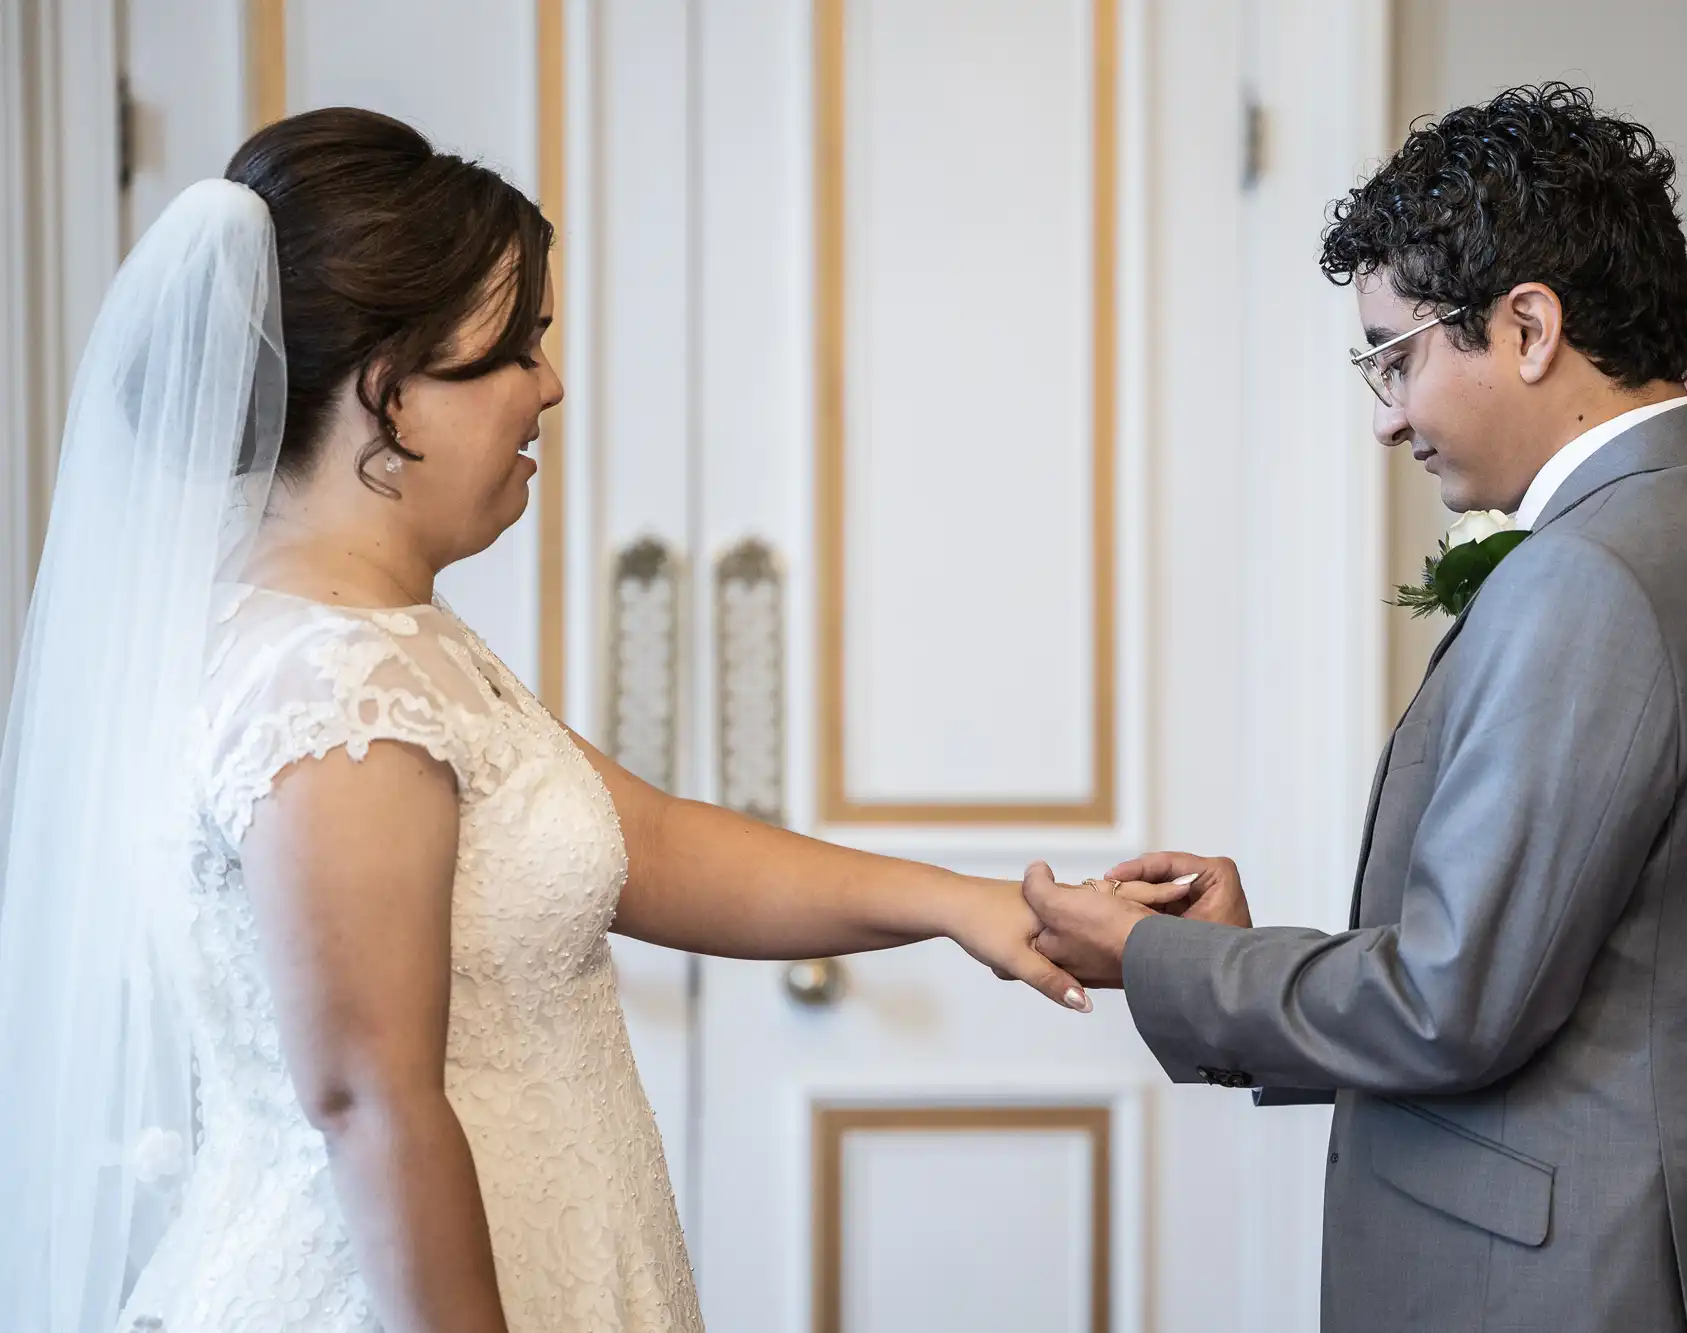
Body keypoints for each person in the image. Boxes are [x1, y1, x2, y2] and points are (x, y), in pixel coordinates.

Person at [0, 108, 1098, 1333]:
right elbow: (372, 1102)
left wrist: (961, 904)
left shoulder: (391, 641)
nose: (551, 384)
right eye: (518, 347)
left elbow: (648, 841)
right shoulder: (332, 694)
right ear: (391, 392)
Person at [1021, 83, 1687, 1331]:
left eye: (1394, 356)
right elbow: (1589, 975)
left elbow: (1448, 1005)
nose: (1384, 418)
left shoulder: (1596, 575)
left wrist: (1157, 959)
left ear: (1526, 326)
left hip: (1578, 1277)